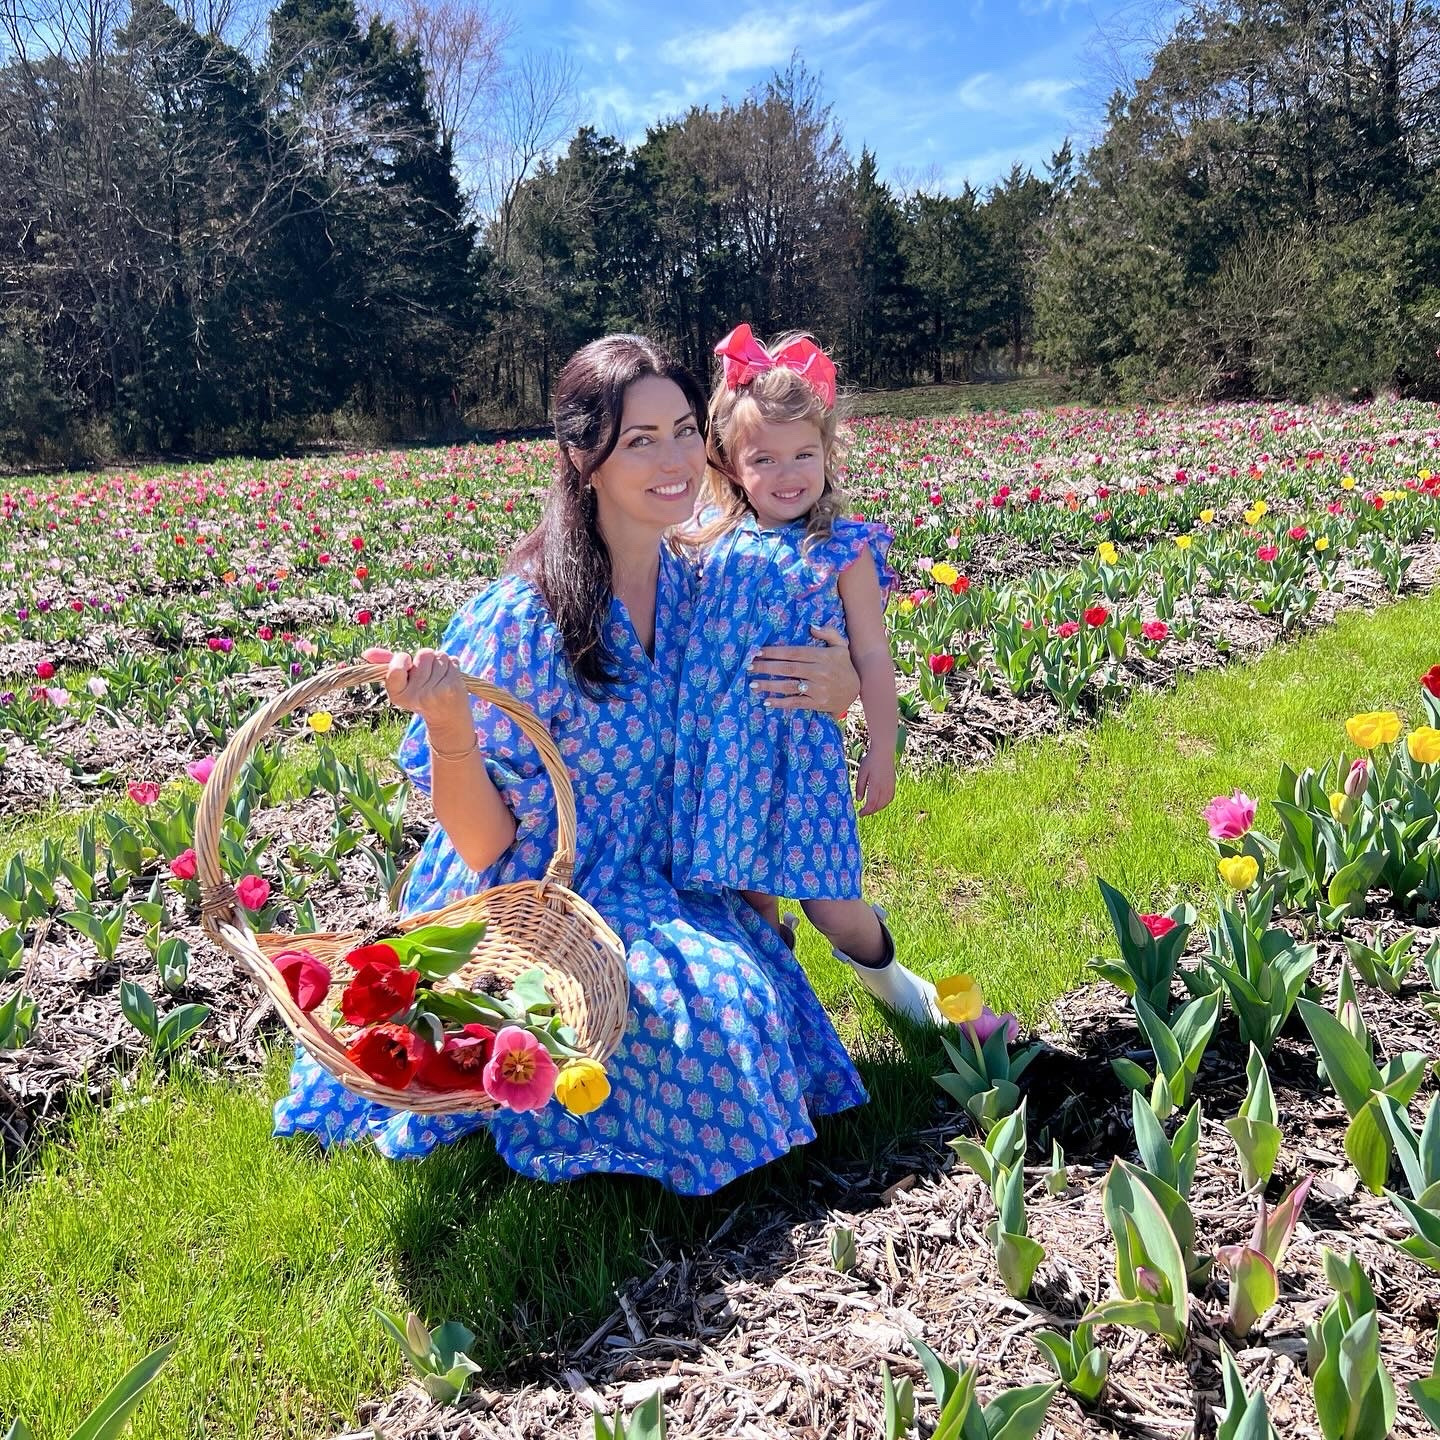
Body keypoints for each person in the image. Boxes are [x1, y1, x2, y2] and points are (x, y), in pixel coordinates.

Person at [273, 334, 878, 1195]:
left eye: (681, 431)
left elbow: (794, 678)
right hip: (538, 893)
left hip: (660, 877)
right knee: (706, 1034)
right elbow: (484, 844)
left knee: (743, 1007)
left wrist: (843, 683)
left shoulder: (703, 584)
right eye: (640, 441)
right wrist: (449, 723)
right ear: (582, 457)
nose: (674, 460)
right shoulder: (525, 619)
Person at [672, 324, 941, 1027]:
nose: (789, 473)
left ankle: (900, 992)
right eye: (765, 458)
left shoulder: (841, 548)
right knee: (748, 898)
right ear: (729, 464)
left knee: (829, 903)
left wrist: (882, 745)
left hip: (802, 758)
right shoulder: (708, 538)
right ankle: (783, 1022)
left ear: (828, 453)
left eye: (805, 453)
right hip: (726, 757)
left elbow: (874, 657)